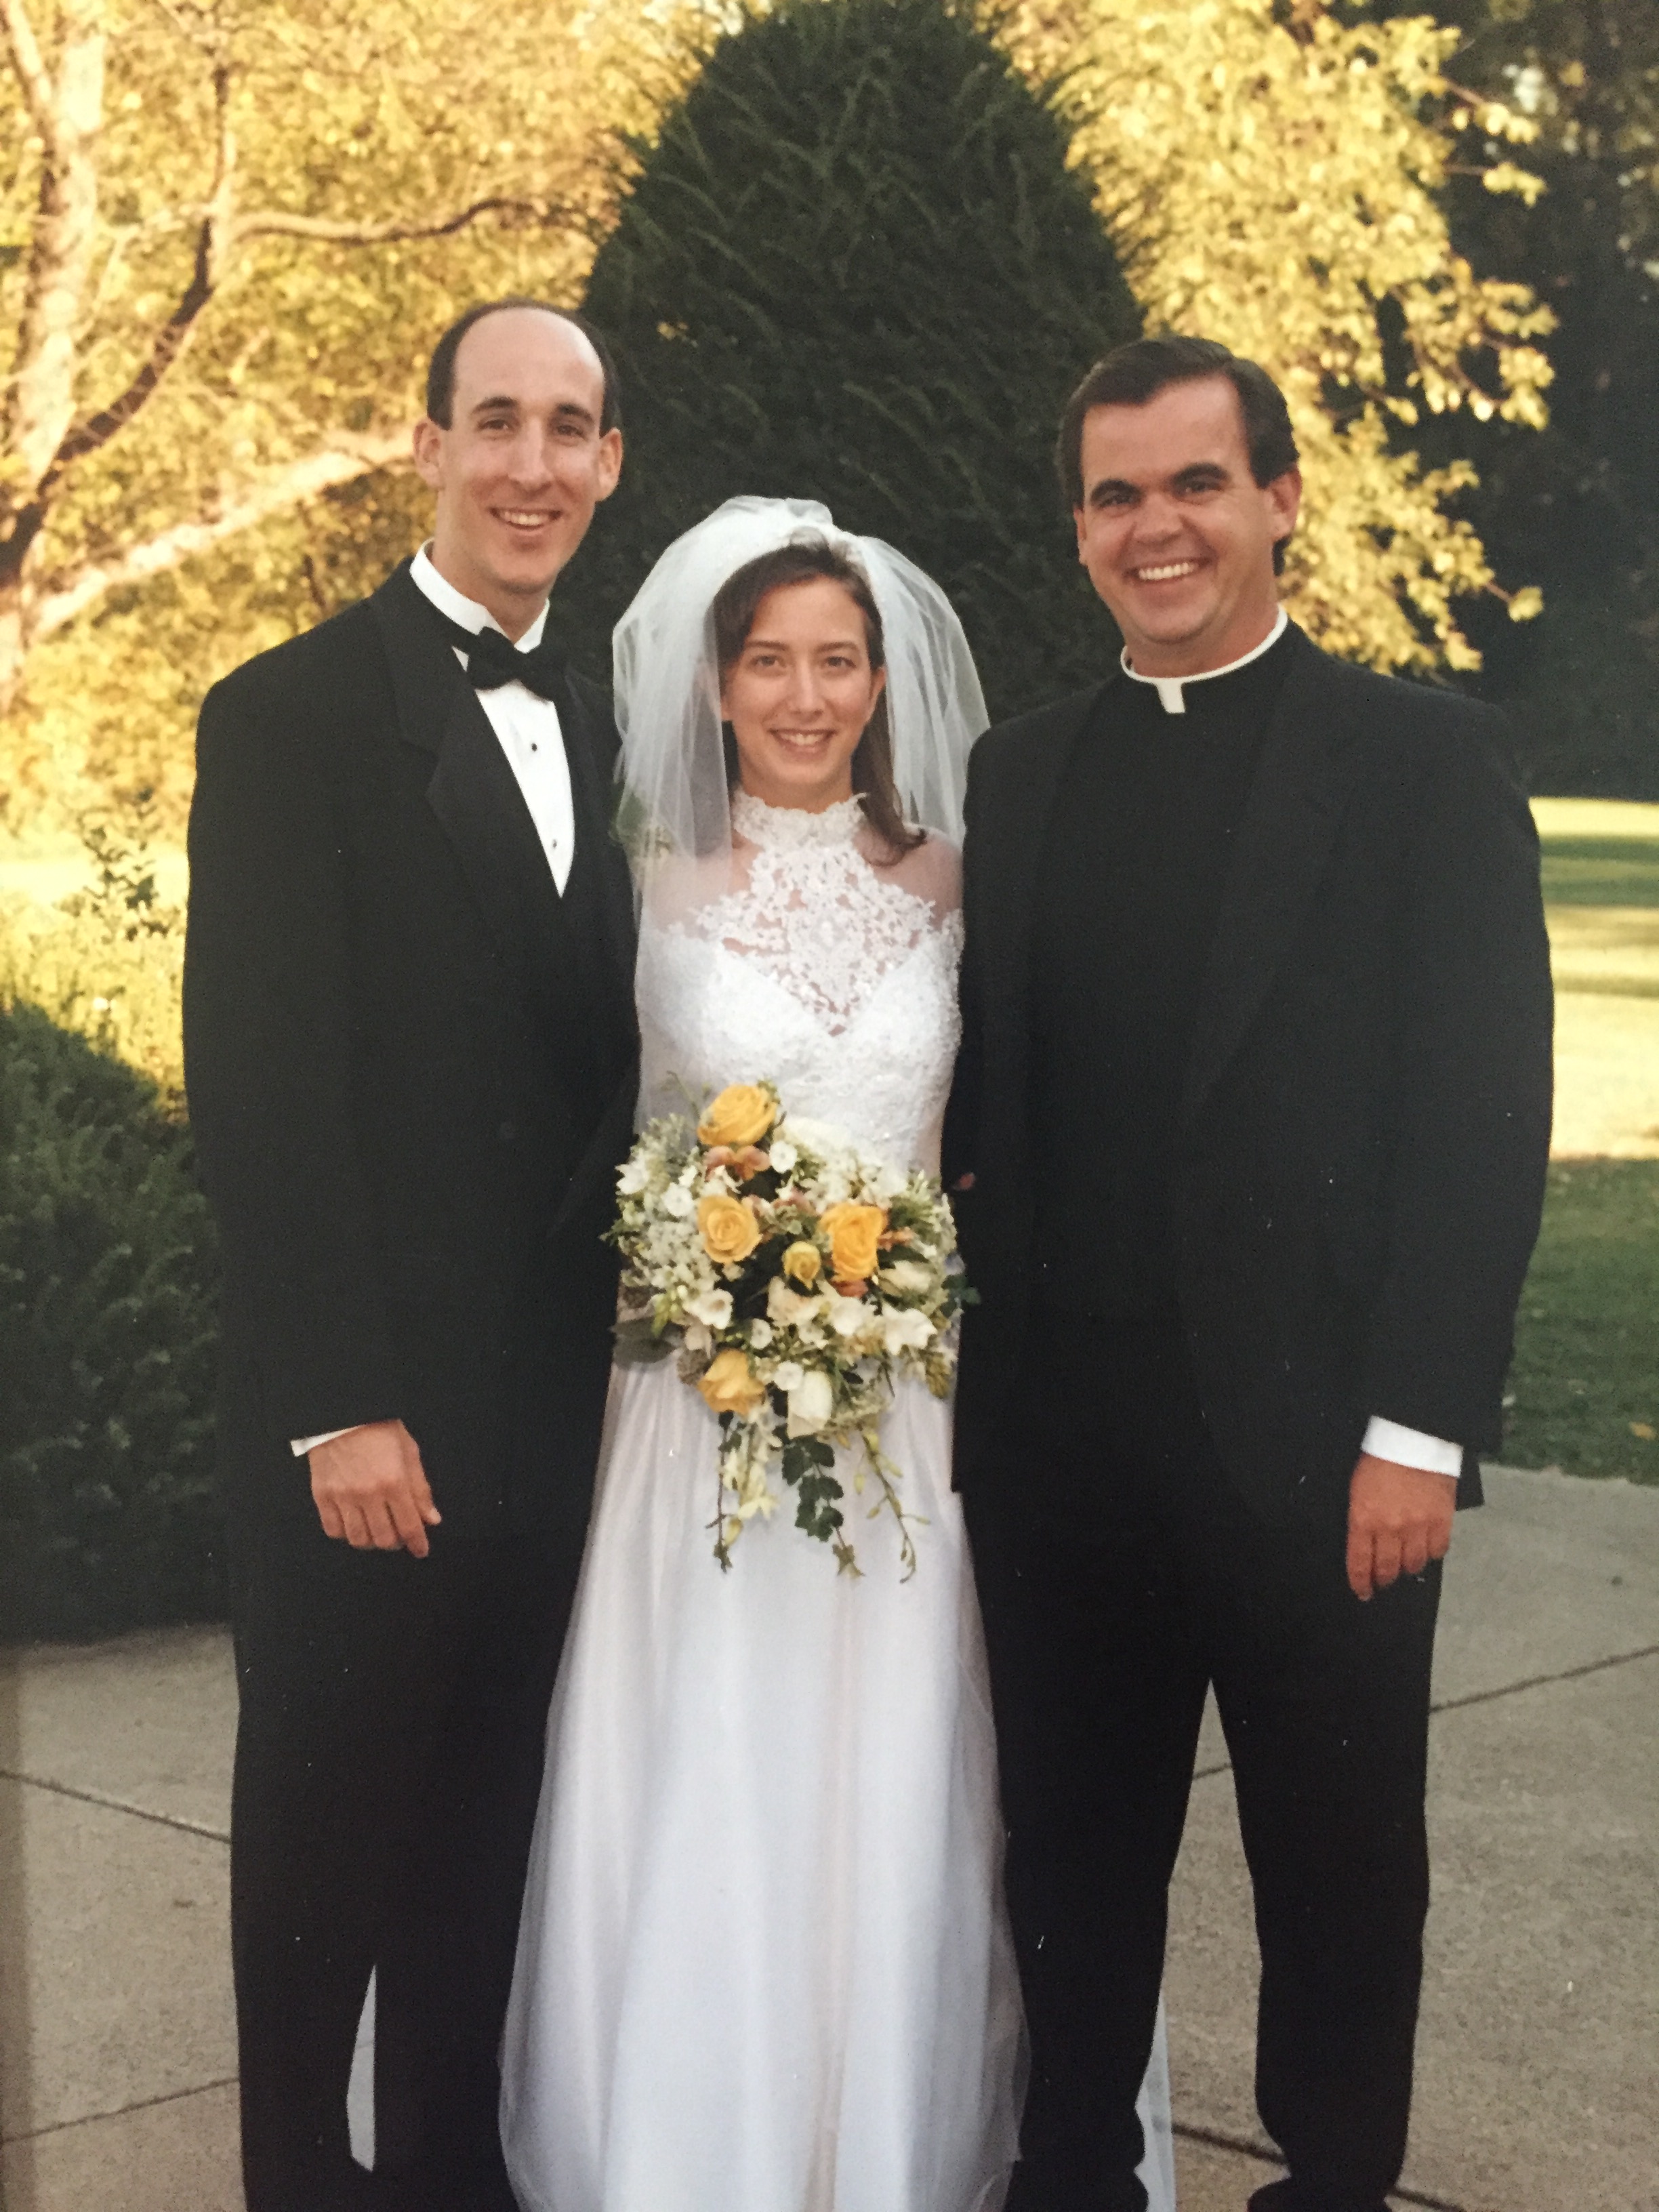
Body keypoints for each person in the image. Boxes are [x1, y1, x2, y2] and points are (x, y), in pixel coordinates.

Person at [499, 496, 1174, 2212]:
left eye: (840, 661)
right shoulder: (641, 886)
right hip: (694, 1411)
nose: (808, 697)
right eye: (772, 662)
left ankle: (885, 2145)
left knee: (896, 1779)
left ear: (884, 680)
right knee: (708, 1761)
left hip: (912, 1423)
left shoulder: (955, 882)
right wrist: (698, 1281)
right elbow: (596, 1136)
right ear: (714, 685)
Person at [946, 334, 1555, 2212]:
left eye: (1198, 484)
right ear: (1080, 529)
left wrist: (1419, 1426)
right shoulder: (1021, 773)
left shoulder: (1420, 762)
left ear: (1282, 499)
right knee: (1070, 1857)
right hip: (1059, 1456)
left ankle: (1333, 2183)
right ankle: (1074, 2176)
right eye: (1119, 494)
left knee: (1343, 1861)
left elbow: (1482, 1113)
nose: (1159, 528)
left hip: (1322, 1457)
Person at [183, 299, 638, 2212]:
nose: (534, 465)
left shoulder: (635, 713)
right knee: (323, 1845)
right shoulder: (289, 714)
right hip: (373, 1422)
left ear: (612, 464)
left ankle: (455, 2174)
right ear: (425, 442)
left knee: (487, 1844)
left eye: (573, 430)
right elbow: (260, 1092)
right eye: (499, 423)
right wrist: (340, 1407)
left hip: (561, 1410)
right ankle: (297, 2182)